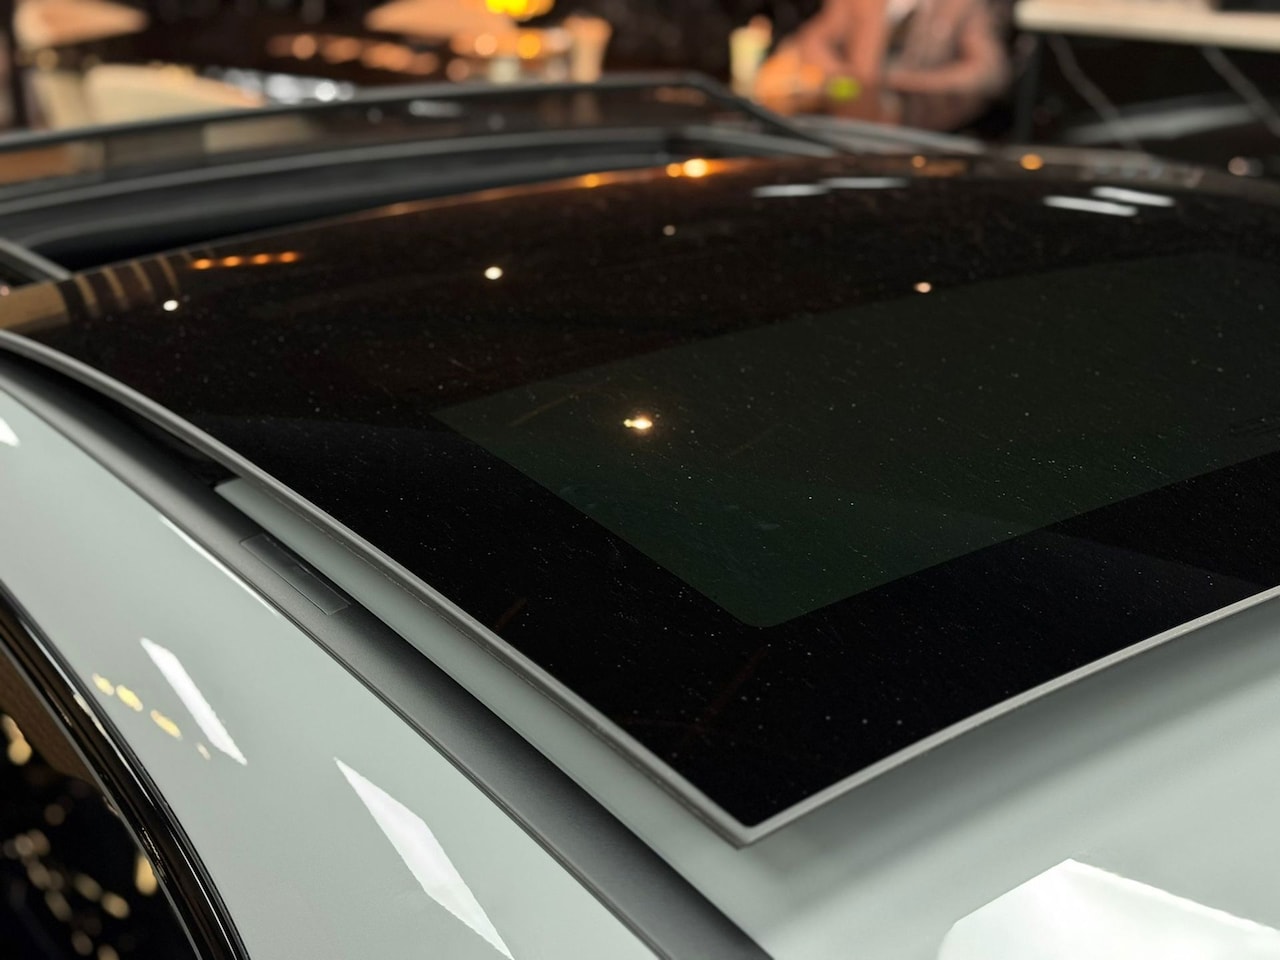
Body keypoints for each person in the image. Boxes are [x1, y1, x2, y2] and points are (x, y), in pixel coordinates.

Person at [756, 0, 1010, 128]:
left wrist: (911, 82)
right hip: (852, 119)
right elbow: (812, 39)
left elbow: (988, 71)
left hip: (924, 128)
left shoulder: (961, 6)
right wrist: (843, 76)